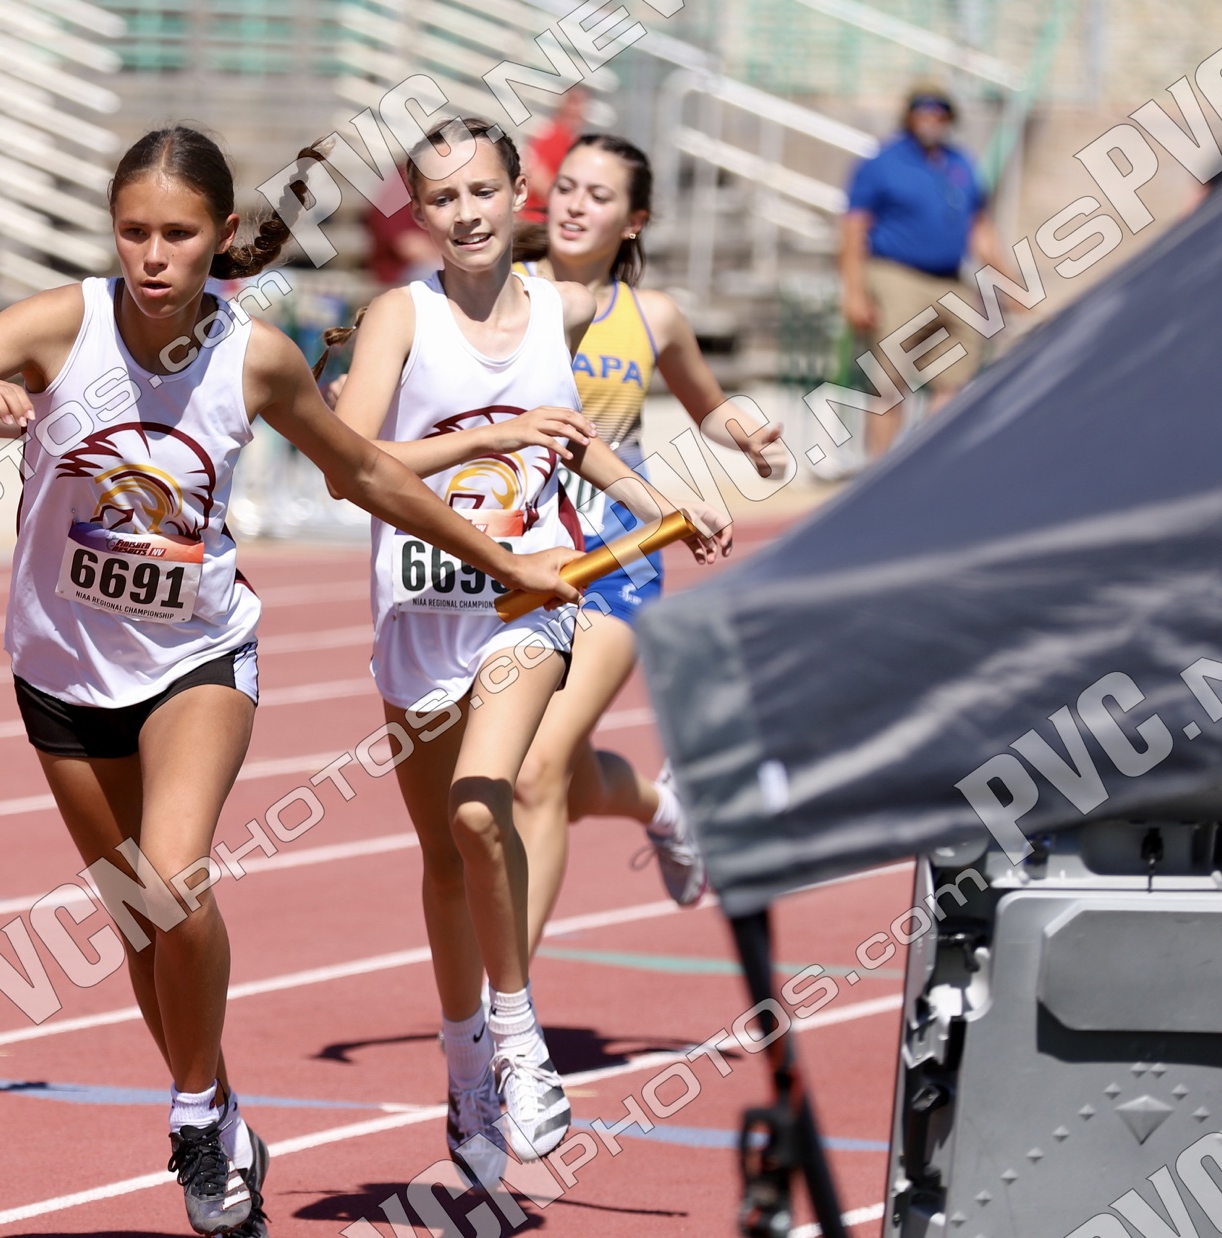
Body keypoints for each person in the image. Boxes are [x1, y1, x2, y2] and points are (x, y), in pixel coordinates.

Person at [0, 125, 586, 1238]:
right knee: (140, 921)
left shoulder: (255, 357)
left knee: (173, 878)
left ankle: (193, 1116)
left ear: (221, 235)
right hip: (60, 665)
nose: (153, 256)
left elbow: (366, 471)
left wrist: (504, 562)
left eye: (177, 234)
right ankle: (225, 1109)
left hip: (197, 654)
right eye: (133, 232)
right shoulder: (55, 324)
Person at [323, 117, 724, 1188]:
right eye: (441, 197)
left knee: (479, 806)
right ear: (420, 211)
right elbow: (346, 463)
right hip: (419, 616)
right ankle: (466, 1070)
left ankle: (516, 1035)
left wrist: (662, 504)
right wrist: (487, 436)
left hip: (528, 601)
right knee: (443, 865)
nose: (464, 213)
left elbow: (577, 441)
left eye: (482, 192)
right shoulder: (398, 315)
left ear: (517, 197)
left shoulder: (555, 308)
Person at [512, 133, 781, 930]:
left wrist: (748, 434)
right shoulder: (504, 291)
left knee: (535, 772)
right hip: (513, 543)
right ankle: (667, 809)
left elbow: (707, 404)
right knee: (553, 780)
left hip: (617, 549)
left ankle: (506, 998)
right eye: (567, 187)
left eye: (599, 196)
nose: (574, 205)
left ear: (634, 221)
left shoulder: (651, 314)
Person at [840, 86, 1002, 457]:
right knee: (890, 381)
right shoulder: (883, 162)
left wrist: (1010, 284)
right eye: (923, 110)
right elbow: (852, 229)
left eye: (939, 112)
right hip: (896, 274)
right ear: (909, 115)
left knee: (955, 381)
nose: (931, 118)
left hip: (949, 278)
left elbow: (979, 228)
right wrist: (853, 292)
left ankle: (927, 462)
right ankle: (878, 469)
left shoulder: (959, 163)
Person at [522, 87, 592, 224]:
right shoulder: (555, 136)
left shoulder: (569, 139)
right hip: (538, 218)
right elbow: (537, 175)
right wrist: (566, 202)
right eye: (574, 102)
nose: (578, 109)